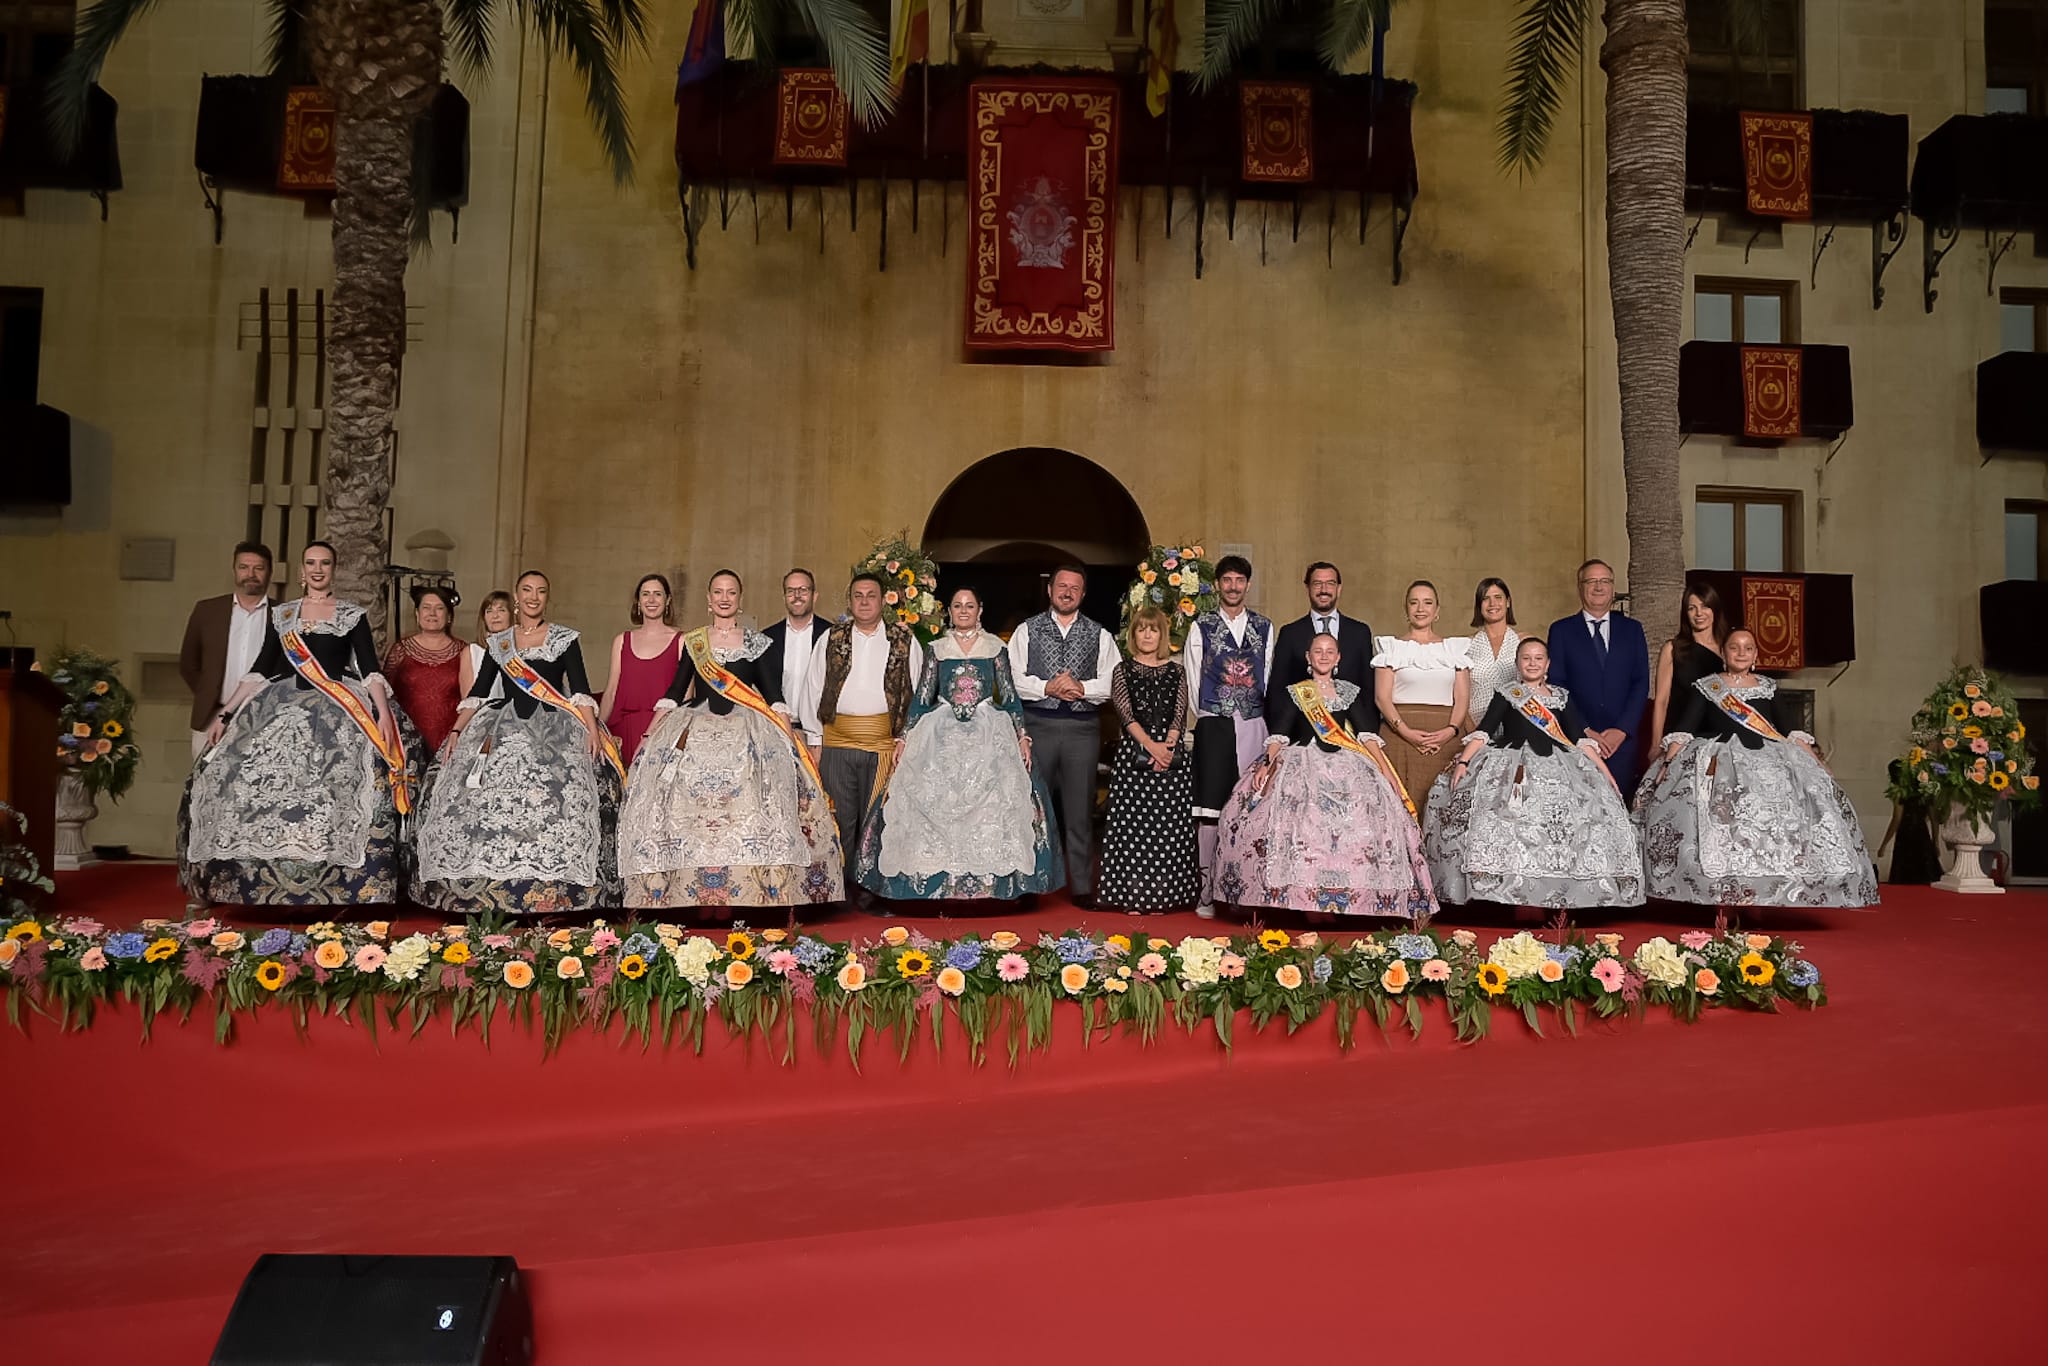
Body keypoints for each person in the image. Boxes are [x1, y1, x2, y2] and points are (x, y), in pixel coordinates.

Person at [180, 540, 416, 907]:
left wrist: (383, 713)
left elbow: (370, 670)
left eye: (324, 563)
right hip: (282, 709)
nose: (318, 569)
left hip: (340, 711)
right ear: (301, 571)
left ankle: (336, 883)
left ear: (333, 569)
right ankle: (256, 882)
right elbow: (261, 669)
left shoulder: (352, 614)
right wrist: (226, 713)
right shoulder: (284, 615)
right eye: (311, 563)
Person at [618, 570, 842, 911]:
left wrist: (787, 741)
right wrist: (650, 734)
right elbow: (675, 693)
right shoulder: (694, 642)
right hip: (696, 730)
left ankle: (752, 891)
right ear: (709, 600)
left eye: (731, 592)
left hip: (746, 733)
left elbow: (773, 696)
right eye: (718, 592)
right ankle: (686, 891)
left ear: (740, 599)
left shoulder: (757, 643)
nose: (724, 598)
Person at [415, 569, 623, 915]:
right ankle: (493, 885)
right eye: (527, 590)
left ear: (547, 597)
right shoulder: (500, 643)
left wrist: (592, 730)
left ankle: (554, 886)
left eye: (541, 591)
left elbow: (581, 689)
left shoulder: (564, 638)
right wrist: (455, 731)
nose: (533, 597)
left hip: (555, 730)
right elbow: (480, 692)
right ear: (517, 596)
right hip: (503, 727)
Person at [1634, 630, 1879, 908]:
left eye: (1747, 648)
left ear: (1755, 656)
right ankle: (1720, 888)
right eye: (1734, 648)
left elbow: (1791, 732)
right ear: (1724, 654)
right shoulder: (1707, 686)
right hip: (1718, 763)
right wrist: (1668, 763)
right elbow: (1685, 729)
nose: (1741, 653)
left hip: (1768, 763)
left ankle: (1771, 891)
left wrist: (1818, 763)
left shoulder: (1768, 687)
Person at [854, 586, 1062, 903]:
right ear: (949, 611)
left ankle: (999, 886)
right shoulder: (937, 648)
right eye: (957, 605)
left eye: (969, 605)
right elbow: (923, 696)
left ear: (980, 610)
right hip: (940, 731)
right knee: (919, 794)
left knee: (1003, 799)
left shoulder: (996, 648)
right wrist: (905, 737)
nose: (963, 610)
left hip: (988, 732)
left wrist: (1022, 735)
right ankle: (926, 883)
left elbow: (1008, 696)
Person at [1213, 633, 1436, 921]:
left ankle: (1355, 896)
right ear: (1308, 657)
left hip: (1347, 764)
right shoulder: (1297, 691)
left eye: (1330, 651)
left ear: (1338, 658)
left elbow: (1367, 735)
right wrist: (1266, 765)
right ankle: (1306, 898)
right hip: (1303, 760)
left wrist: (1385, 770)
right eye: (1317, 650)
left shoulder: (1348, 691)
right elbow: (1280, 733)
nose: (1323, 655)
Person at [1422, 637, 1642, 909]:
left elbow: (1579, 739)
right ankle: (1508, 892)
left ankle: (1563, 892)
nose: (1532, 663)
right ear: (1517, 664)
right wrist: (1464, 763)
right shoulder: (1506, 693)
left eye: (1538, 658)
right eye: (1526, 658)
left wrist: (1605, 773)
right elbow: (1484, 732)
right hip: (1513, 764)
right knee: (1508, 819)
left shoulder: (1562, 697)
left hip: (1562, 767)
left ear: (1547, 664)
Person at [802, 572, 928, 900]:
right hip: (838, 740)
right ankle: (839, 891)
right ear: (850, 600)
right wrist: (815, 740)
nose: (864, 601)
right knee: (839, 819)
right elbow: (813, 688)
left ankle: (875, 891)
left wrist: (906, 741)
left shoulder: (904, 639)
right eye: (858, 595)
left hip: (884, 742)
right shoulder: (831, 638)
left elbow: (917, 694)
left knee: (879, 820)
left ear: (883, 600)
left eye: (871, 595)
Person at [1007, 564, 1122, 907]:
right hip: (1036, 727)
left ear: (1083, 594)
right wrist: (1047, 686)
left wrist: (1081, 687)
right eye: (1062, 586)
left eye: (1075, 588)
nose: (1067, 592)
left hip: (1082, 730)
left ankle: (1083, 886)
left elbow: (1114, 682)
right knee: (1031, 808)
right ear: (1050, 590)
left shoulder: (1100, 634)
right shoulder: (1026, 630)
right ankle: (1029, 885)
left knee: (1079, 810)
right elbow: (1011, 677)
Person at [1183, 555, 1276, 913]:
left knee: (1251, 803)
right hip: (1214, 722)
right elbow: (1193, 678)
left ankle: (1248, 890)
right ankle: (1207, 890)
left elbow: (1267, 675)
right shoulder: (1201, 626)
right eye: (1227, 580)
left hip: (1254, 721)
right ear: (1218, 585)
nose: (1233, 586)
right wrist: (1211, 712)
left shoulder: (1265, 627)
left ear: (1248, 585)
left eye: (1240, 580)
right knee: (1210, 808)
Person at [1099, 604, 1201, 914]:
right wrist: (1150, 746)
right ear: (1133, 634)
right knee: (1134, 832)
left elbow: (1180, 712)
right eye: (1141, 629)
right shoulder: (1123, 670)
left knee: (1169, 831)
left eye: (1153, 629)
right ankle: (1133, 897)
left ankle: (1165, 897)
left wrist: (1167, 746)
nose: (1147, 634)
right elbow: (1125, 714)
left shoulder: (1176, 670)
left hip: (1170, 758)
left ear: (1161, 635)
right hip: (1134, 756)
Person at [1546, 558, 1651, 797]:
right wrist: (1584, 729)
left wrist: (1622, 730)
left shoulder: (1632, 629)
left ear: (1613, 588)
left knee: (1619, 807)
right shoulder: (1561, 630)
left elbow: (1640, 682)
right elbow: (1556, 684)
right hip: (1577, 738)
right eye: (1591, 581)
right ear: (1580, 587)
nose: (1598, 587)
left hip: (1621, 742)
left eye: (1605, 581)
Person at [1373, 580, 1474, 802]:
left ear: (1437, 611)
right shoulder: (1391, 648)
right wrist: (1408, 733)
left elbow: (1462, 698)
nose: (1421, 609)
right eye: (1414, 603)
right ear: (1406, 609)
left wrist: (1450, 731)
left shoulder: (1453, 649)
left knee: (1444, 809)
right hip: (1400, 740)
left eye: (1427, 603)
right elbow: (1382, 698)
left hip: (1447, 742)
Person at [178, 542, 274, 761]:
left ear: (270, 572)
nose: (250, 574)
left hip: (264, 718)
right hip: (211, 716)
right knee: (205, 787)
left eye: (258, 568)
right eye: (244, 567)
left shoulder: (283, 615)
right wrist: (209, 693)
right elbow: (188, 664)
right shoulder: (207, 611)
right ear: (234, 570)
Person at [1266, 562, 1373, 721]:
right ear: (1307, 588)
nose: (1324, 590)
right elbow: (1277, 689)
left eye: (1330, 583)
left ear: (1339, 588)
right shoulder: (1290, 633)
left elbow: (1369, 687)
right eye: (1317, 584)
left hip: (1352, 732)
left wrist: (1369, 731)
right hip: (1301, 731)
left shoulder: (1360, 632)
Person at [599, 573, 683, 767]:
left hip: (662, 733)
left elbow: (685, 699)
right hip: (621, 732)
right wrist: (599, 730)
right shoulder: (622, 640)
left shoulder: (681, 641)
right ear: (638, 601)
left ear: (667, 600)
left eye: (657, 594)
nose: (651, 600)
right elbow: (611, 692)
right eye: (646, 594)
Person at [381, 583, 466, 754]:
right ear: (417, 614)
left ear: (449, 616)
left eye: (439, 608)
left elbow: (471, 700)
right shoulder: (401, 649)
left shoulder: (464, 651)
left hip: (450, 744)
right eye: (426, 608)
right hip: (406, 742)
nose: (432, 613)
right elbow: (385, 693)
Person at [1650, 581, 1730, 742]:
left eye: (1705, 606)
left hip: (1720, 735)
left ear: (1714, 609)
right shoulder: (1673, 649)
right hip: (1681, 736)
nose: (1698, 613)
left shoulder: (1728, 649)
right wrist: (1655, 743)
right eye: (1692, 608)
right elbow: (1662, 701)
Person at [761, 568, 821, 711]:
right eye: (790, 591)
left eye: (803, 590)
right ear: (784, 598)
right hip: (778, 725)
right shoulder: (767, 638)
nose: (797, 596)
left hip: (820, 727)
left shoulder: (830, 635)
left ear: (814, 596)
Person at [1463, 577, 1522, 722]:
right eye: (1485, 598)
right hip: (1476, 725)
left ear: (1507, 602)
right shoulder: (1466, 645)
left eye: (1498, 597)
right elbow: (1458, 695)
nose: (1492, 604)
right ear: (1479, 605)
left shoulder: (1523, 642)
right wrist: (1472, 731)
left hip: (1515, 726)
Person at [1878, 757, 1943, 885]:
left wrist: (1884, 844)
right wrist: (1936, 841)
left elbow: (1897, 818)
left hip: (1905, 835)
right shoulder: (1924, 789)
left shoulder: (1899, 792)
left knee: (1905, 878)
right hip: (1922, 833)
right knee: (1927, 876)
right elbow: (1934, 818)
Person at [461, 591, 514, 698]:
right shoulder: (472, 651)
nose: (495, 616)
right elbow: (468, 699)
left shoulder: (523, 650)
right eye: (489, 611)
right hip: (482, 713)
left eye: (501, 610)